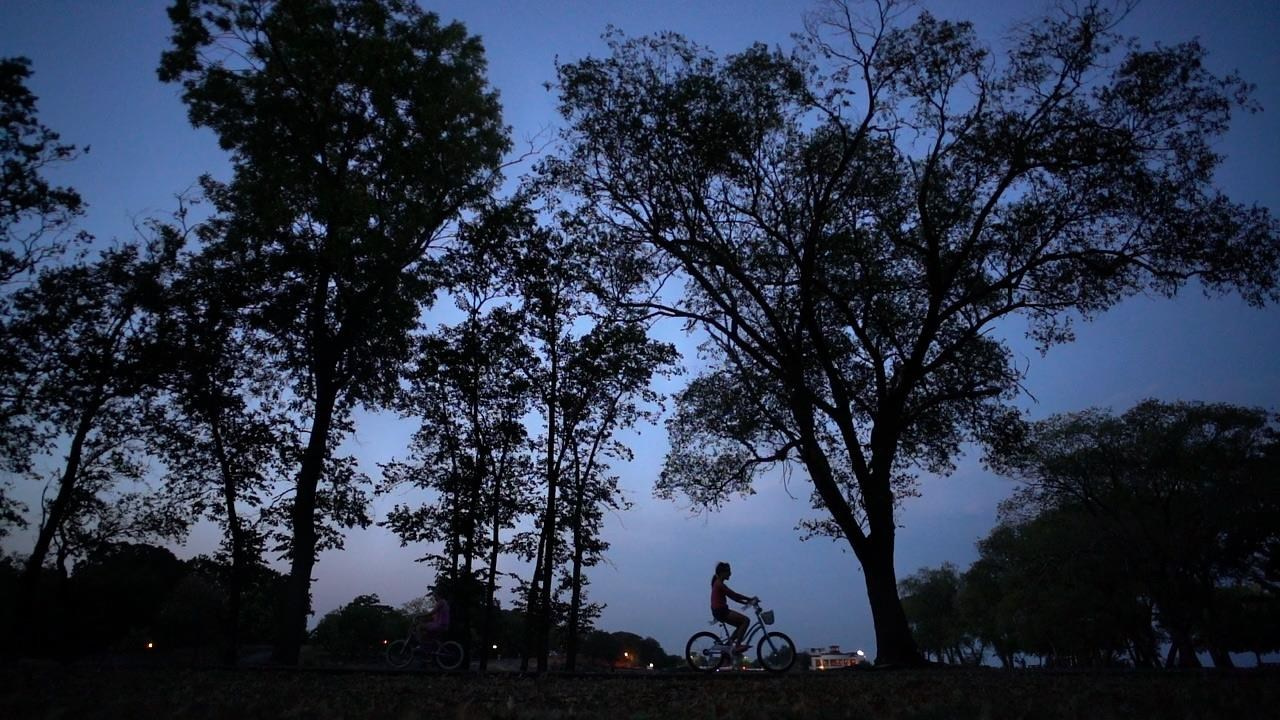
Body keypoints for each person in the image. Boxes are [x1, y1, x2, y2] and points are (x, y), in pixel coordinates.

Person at [710, 561, 757, 654]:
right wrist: (750, 599)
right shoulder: (719, 584)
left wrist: (748, 601)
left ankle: (728, 646)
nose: (730, 574)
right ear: (723, 572)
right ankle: (738, 645)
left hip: (719, 611)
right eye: (729, 571)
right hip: (721, 611)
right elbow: (734, 595)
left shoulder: (718, 583)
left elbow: (734, 598)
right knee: (746, 620)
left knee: (740, 625)